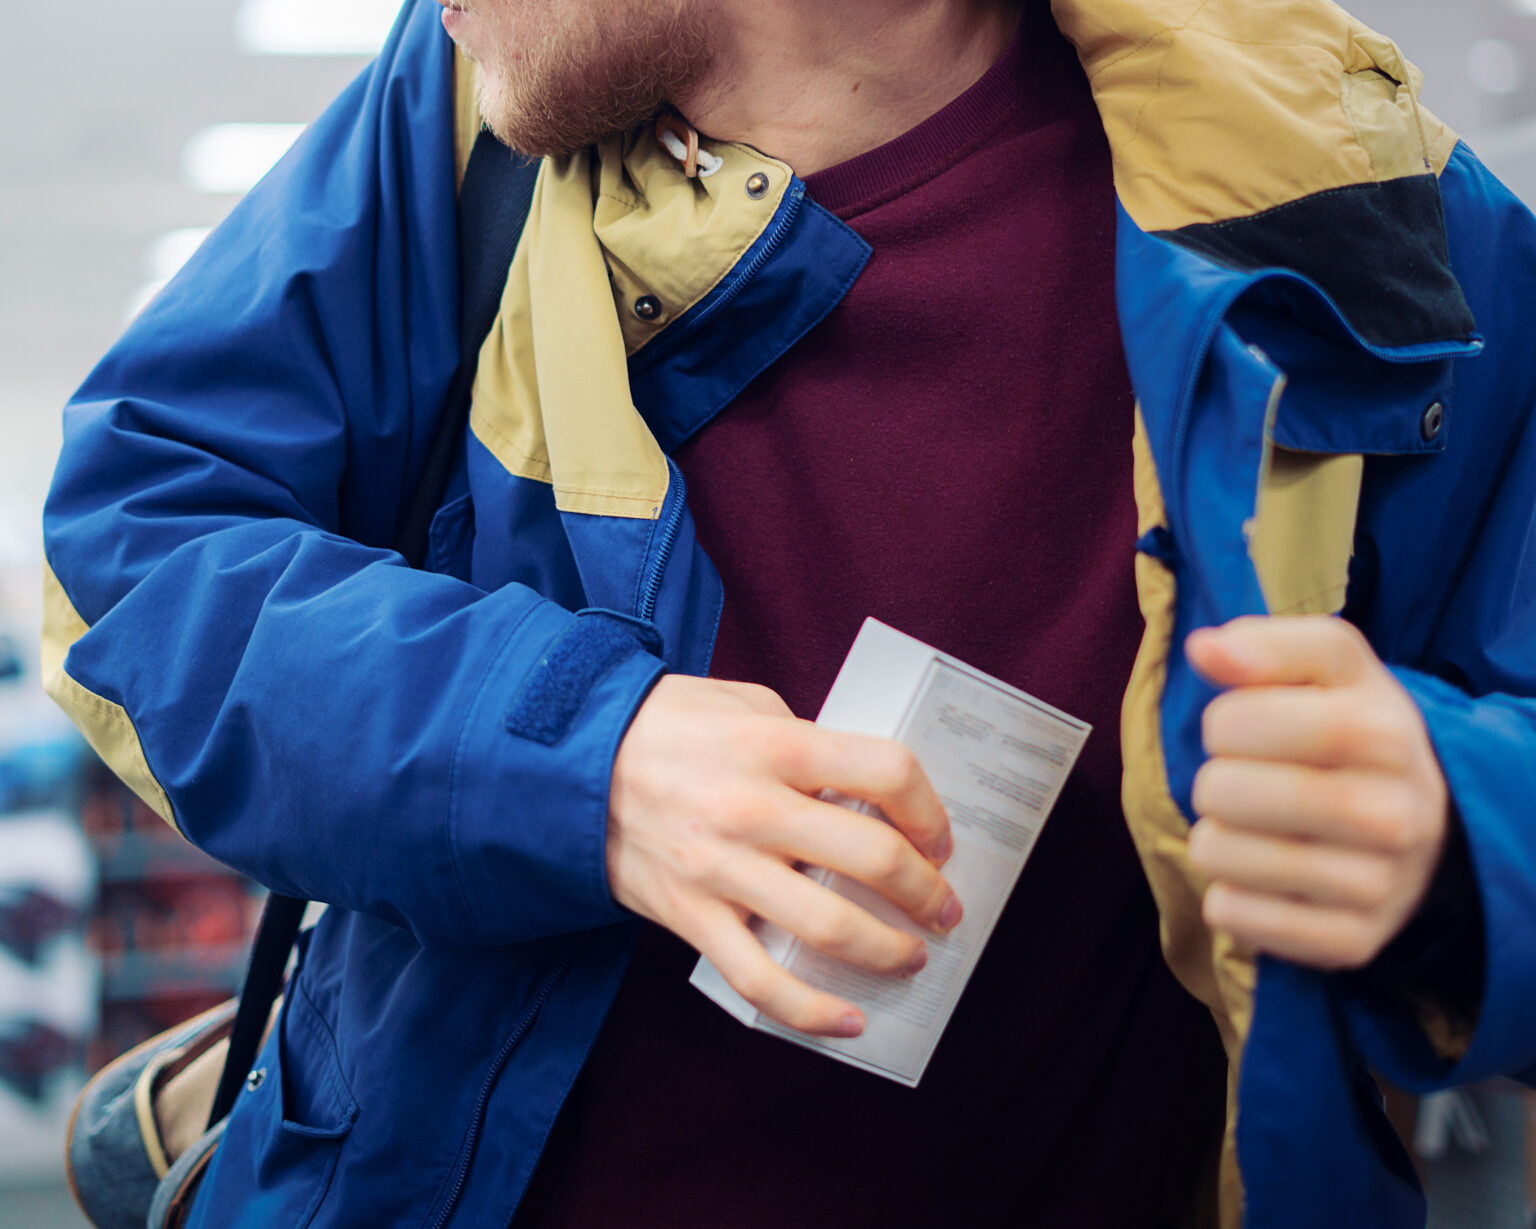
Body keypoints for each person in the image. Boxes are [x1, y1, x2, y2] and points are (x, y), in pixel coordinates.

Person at [40, 0, 1536, 1224]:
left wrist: (1457, 834)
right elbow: (134, 550)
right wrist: (588, 754)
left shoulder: (1364, 229)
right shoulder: (455, 126)